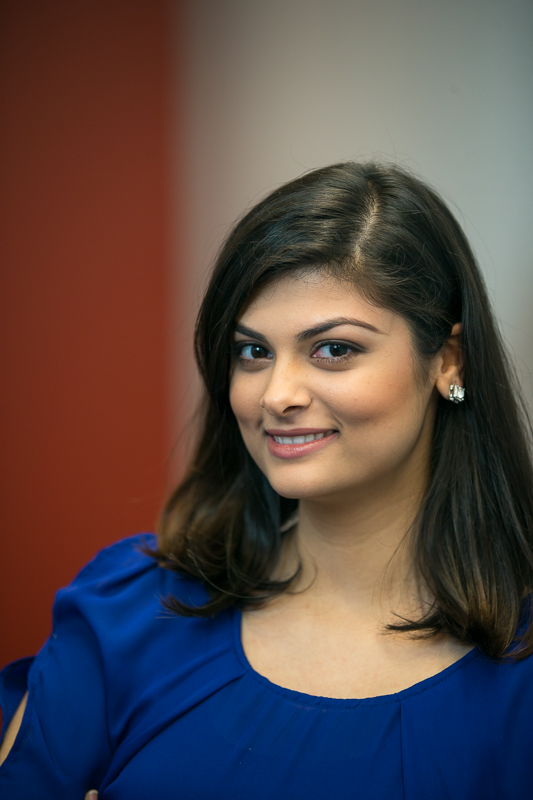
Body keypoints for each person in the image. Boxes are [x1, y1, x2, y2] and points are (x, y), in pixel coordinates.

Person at [1, 161, 533, 799]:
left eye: (333, 349)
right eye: (253, 351)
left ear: (448, 361)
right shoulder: (126, 615)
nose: (276, 395)